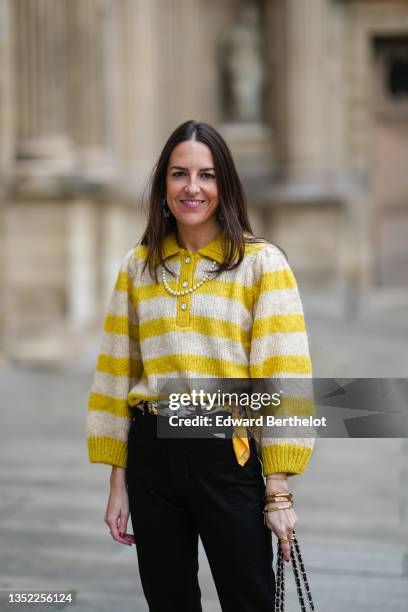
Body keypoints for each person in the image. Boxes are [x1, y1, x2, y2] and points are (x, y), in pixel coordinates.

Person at [86, 120, 315, 611]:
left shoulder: (260, 264)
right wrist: (117, 480)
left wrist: (278, 490)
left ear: (224, 185)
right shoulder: (138, 265)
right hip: (152, 457)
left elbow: (285, 376)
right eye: (179, 174)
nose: (192, 188)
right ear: (163, 185)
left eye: (206, 175)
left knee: (248, 599)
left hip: (225, 456)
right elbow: (114, 374)